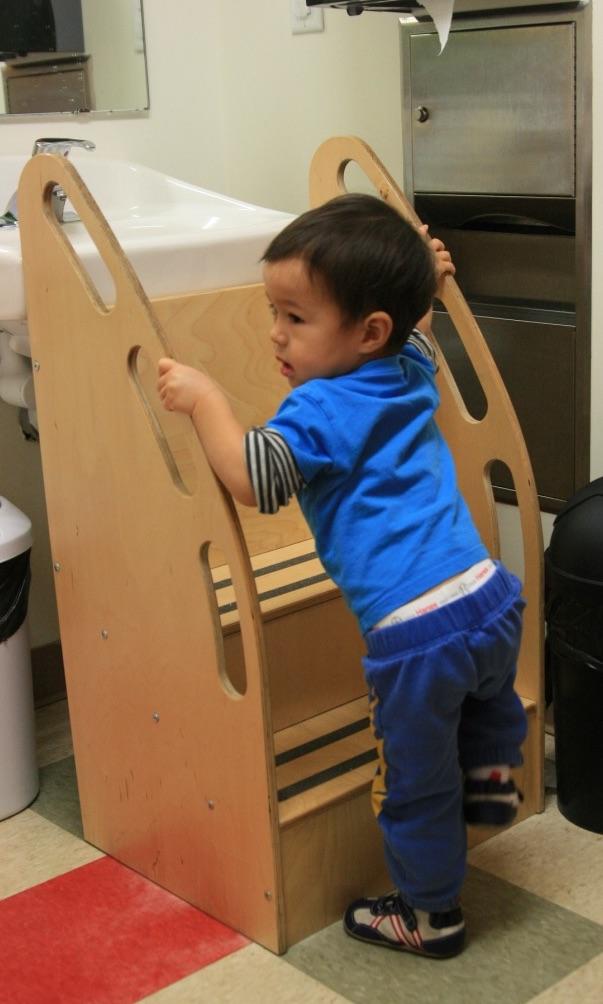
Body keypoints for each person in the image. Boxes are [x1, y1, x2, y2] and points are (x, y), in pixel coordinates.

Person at [157, 193, 527, 960]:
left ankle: (429, 916)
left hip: (416, 636)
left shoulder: (320, 406)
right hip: (489, 596)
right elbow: (417, 327)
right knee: (485, 700)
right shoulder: (408, 367)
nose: (275, 334)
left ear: (366, 331)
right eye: (274, 312)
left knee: (415, 782)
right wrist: (422, 275)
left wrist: (205, 400)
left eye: (295, 318)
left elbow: (254, 478)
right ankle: (493, 775)